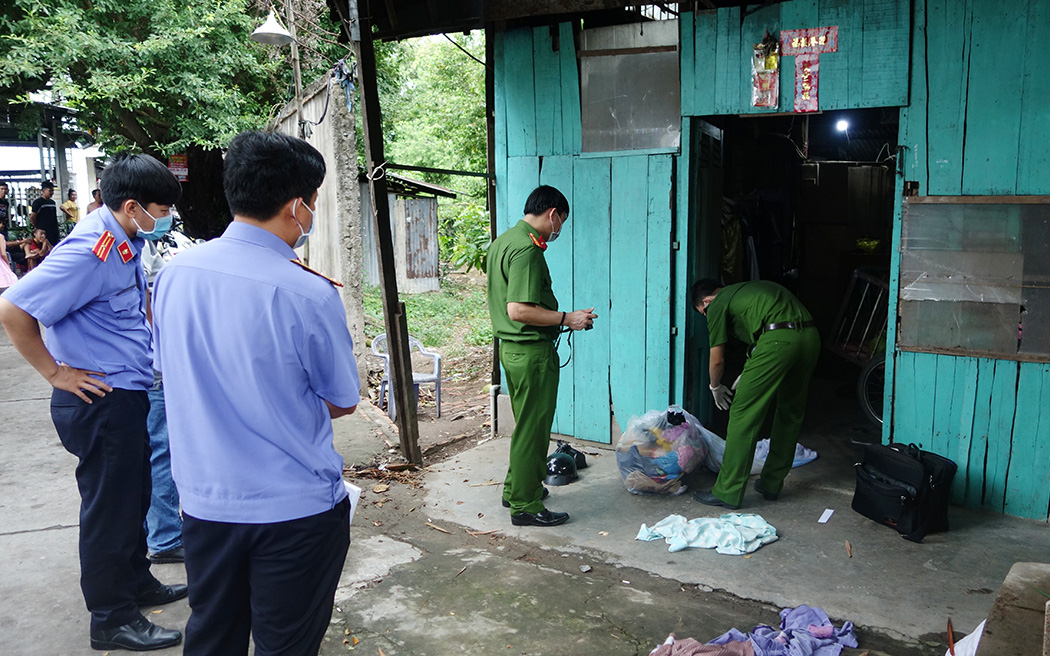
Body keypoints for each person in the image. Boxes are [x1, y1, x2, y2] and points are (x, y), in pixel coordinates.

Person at [152, 130, 360, 655]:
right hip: (293, 511)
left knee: (213, 635)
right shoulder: (308, 292)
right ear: (296, 206)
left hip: (204, 503)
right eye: (313, 202)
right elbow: (342, 399)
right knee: (285, 644)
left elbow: (172, 370)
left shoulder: (174, 276)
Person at [0, 154, 186, 651]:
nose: (166, 218)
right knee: (110, 511)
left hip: (124, 393)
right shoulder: (90, 249)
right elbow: (13, 307)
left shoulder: (121, 241)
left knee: (135, 499)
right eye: (161, 208)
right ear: (132, 206)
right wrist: (55, 373)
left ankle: (136, 582)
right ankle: (111, 617)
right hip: (97, 401)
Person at [485, 185, 597, 528]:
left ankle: (516, 488)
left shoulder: (503, 241)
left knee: (526, 428)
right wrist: (568, 319)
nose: (558, 228)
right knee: (533, 431)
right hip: (531, 352)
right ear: (552, 213)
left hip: (513, 351)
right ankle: (525, 504)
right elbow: (518, 309)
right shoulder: (527, 249)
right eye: (560, 220)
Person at [690, 278, 820, 510]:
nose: (707, 317)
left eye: (703, 313)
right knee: (790, 411)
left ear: (707, 301)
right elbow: (767, 327)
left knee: (743, 412)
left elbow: (717, 359)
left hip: (778, 343)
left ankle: (727, 492)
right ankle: (771, 484)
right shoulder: (748, 291)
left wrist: (714, 386)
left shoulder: (717, 304)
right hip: (810, 337)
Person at [140, 239, 184, 564]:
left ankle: (157, 530)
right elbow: (147, 306)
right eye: (162, 209)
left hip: (146, 363)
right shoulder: (127, 249)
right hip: (151, 365)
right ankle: (165, 537)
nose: (166, 216)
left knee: (153, 449)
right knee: (161, 449)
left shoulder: (140, 245)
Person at [29, 181, 60, 246]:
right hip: (43, 230)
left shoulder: (52, 202)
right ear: (43, 191)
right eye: (50, 191)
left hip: (53, 229)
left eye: (52, 191)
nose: (52, 193)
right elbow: (32, 216)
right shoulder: (38, 202)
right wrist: (36, 226)